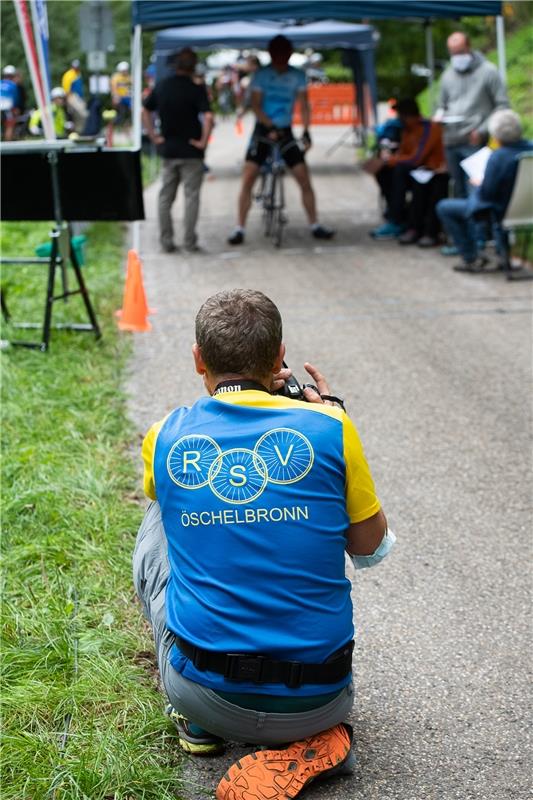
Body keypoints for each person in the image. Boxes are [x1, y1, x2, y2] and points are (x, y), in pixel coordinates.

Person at [133, 288, 395, 800]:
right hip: (323, 696)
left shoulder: (165, 436)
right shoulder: (330, 427)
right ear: (279, 357)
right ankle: (314, 736)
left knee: (161, 511)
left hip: (205, 693)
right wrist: (331, 419)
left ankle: (200, 727)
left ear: (197, 359)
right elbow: (371, 548)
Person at [227, 35, 335, 245]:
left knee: (303, 176)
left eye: (285, 55)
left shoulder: (297, 75)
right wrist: (269, 126)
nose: (281, 59)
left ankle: (314, 224)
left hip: (285, 129)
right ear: (271, 54)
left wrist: (306, 131)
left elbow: (304, 105)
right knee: (248, 176)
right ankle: (239, 227)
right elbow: (256, 106)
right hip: (263, 128)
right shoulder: (262, 75)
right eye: (277, 55)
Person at [436, 109, 533, 273]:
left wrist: (479, 182)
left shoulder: (498, 157)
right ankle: (501, 255)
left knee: (444, 207)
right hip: (527, 208)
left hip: (500, 210)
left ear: (495, 134)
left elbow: (487, 195)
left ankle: (471, 257)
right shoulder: (530, 149)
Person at [142, 48, 214, 254]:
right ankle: (189, 242)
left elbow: (144, 110)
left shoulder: (162, 86)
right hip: (192, 151)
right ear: (193, 67)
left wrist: (154, 136)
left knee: (165, 198)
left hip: (169, 149)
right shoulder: (196, 89)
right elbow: (208, 117)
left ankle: (166, 242)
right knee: (191, 197)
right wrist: (203, 142)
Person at [436, 32, 509, 201]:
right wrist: (439, 116)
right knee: (458, 192)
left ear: (468, 47)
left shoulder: (488, 71)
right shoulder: (447, 75)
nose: (457, 57)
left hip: (475, 141)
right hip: (451, 140)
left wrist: (483, 130)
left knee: (475, 192)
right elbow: (441, 105)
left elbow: (502, 105)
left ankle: (478, 227)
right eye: (453, 53)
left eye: (460, 52)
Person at [365, 99, 448, 242]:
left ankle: (397, 219)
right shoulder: (407, 130)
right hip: (414, 171)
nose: (399, 119)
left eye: (402, 116)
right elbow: (403, 154)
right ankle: (396, 217)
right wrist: (386, 160)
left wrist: (389, 160)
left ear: (411, 116)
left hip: (431, 171)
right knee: (384, 173)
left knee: (399, 170)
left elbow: (416, 158)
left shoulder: (429, 128)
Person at [61, 58, 88, 132]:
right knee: (80, 114)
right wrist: (68, 99)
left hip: (79, 97)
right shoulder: (69, 75)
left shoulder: (78, 74)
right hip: (72, 97)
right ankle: (77, 131)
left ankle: (80, 130)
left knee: (80, 116)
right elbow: (66, 89)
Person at [0, 65, 22, 141]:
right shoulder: (13, 85)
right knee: (10, 126)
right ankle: (7, 144)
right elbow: (15, 99)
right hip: (7, 109)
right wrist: (16, 108)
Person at [110, 61, 132, 126]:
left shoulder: (129, 77)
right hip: (120, 98)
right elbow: (113, 88)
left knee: (133, 111)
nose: (125, 72)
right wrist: (115, 96)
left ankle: (128, 124)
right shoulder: (116, 77)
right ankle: (114, 125)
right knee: (121, 113)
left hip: (128, 97)